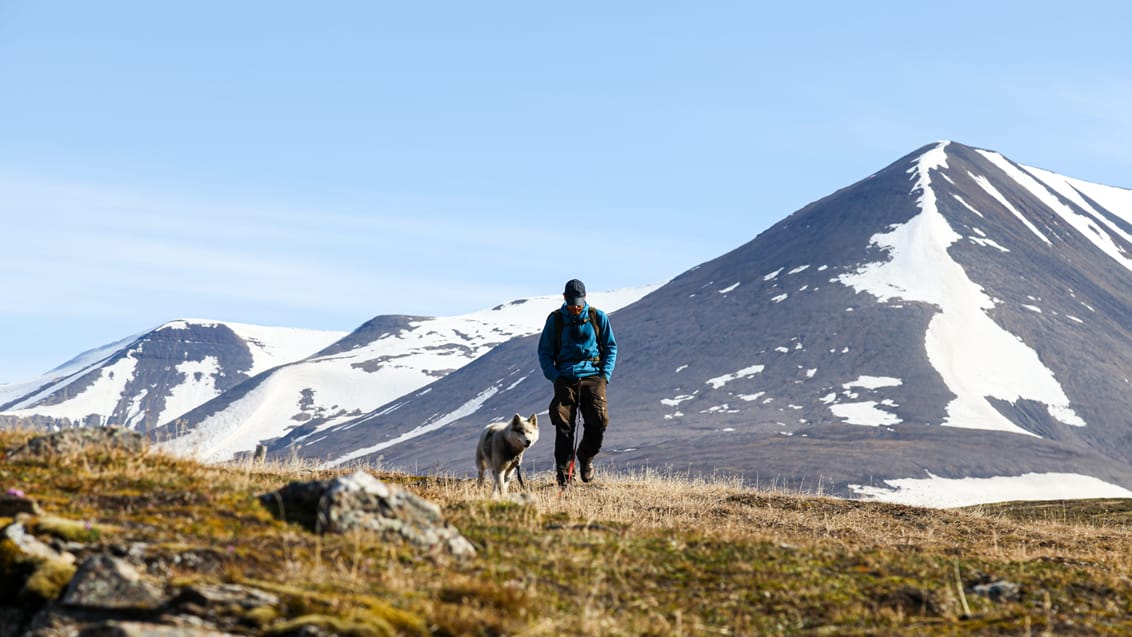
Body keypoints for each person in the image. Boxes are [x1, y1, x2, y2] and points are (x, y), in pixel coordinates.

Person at [537, 279, 618, 487]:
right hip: (565, 376)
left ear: (585, 299)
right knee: (563, 426)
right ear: (564, 299)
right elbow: (545, 352)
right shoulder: (555, 320)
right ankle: (564, 476)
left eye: (578, 304)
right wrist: (555, 376)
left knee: (598, 422)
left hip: (593, 377)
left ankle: (585, 457)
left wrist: (604, 375)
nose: (575, 308)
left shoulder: (597, 317)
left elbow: (610, 347)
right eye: (572, 304)